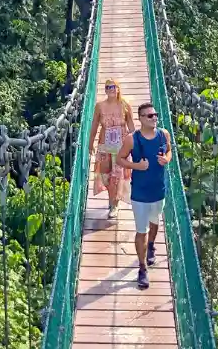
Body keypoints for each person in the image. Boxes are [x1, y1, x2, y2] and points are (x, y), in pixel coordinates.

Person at [117, 102, 171, 289]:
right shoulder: (132, 139)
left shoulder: (164, 134)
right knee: (141, 230)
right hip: (139, 193)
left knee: (155, 222)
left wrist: (167, 159)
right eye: (149, 116)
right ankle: (142, 268)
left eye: (155, 114)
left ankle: (151, 245)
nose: (154, 118)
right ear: (140, 119)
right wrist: (136, 166)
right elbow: (119, 159)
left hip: (159, 190)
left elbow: (169, 151)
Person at [88, 79, 134, 219]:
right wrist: (91, 144)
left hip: (121, 145)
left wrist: (137, 144)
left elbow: (131, 127)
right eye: (107, 87)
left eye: (113, 86)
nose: (110, 89)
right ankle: (112, 198)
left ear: (118, 88)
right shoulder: (99, 106)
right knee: (105, 175)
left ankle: (114, 204)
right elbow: (95, 126)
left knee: (117, 175)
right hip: (104, 145)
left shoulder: (125, 105)